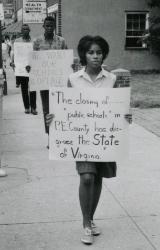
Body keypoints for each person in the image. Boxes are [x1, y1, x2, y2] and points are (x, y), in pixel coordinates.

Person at [46, 35, 132, 245]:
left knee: (98, 177)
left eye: (99, 52)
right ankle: (86, 224)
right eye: (91, 52)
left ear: (104, 54)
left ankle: (91, 218)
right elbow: (64, 106)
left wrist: (125, 115)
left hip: (103, 138)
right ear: (84, 55)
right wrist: (53, 117)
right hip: (81, 138)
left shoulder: (111, 79)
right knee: (86, 178)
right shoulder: (73, 79)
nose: (95, 56)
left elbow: (118, 107)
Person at [28, 16, 67, 145]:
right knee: (46, 110)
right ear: (43, 26)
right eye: (47, 26)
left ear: (55, 26)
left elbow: (66, 60)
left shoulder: (62, 41)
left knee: (59, 109)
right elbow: (34, 61)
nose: (49, 28)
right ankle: (51, 137)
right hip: (44, 83)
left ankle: (59, 136)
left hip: (59, 82)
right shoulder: (37, 42)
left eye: (52, 26)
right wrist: (30, 67)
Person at [11, 24, 37, 115]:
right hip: (21, 68)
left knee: (33, 88)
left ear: (29, 30)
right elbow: (14, 54)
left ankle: (33, 107)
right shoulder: (17, 41)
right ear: (21, 31)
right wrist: (12, 62)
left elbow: (36, 54)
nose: (25, 30)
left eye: (27, 29)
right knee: (24, 88)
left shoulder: (34, 41)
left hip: (32, 67)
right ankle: (27, 107)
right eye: (23, 29)